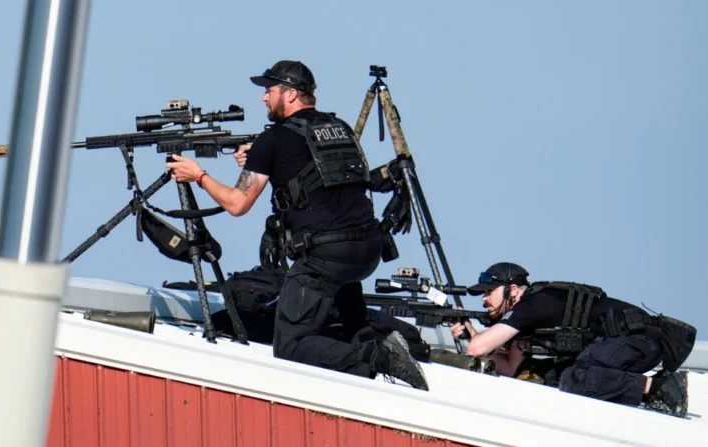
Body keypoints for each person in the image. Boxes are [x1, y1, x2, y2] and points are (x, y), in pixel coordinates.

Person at [166, 60, 428, 391]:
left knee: (290, 345)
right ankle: (378, 348)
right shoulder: (339, 127)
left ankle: (381, 357)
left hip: (325, 255)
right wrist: (263, 159)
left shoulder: (273, 139)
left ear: (290, 94)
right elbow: (317, 171)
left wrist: (198, 176)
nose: (263, 98)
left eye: (269, 90)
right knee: (348, 323)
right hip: (366, 247)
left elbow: (237, 203)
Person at [450, 262, 694, 418]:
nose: (484, 299)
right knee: (548, 373)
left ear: (512, 290)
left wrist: (474, 338)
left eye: (488, 292)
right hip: (628, 344)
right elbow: (511, 368)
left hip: (641, 339)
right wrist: (479, 344)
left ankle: (661, 388)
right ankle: (655, 385)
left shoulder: (532, 305)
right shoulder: (530, 312)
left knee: (577, 378)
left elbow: (477, 347)